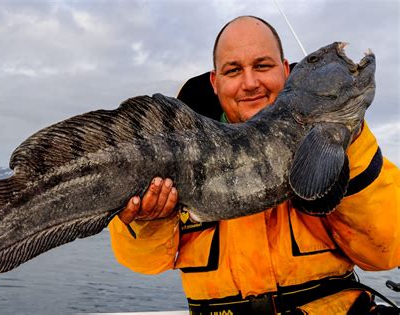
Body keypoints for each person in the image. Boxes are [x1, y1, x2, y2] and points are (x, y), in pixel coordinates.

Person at [108, 16, 400, 314]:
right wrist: (150, 221)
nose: (250, 83)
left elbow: (386, 252)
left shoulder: (342, 141)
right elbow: (145, 264)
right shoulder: (168, 152)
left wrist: (347, 139)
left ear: (286, 71)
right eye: (234, 70)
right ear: (215, 82)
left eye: (263, 66)